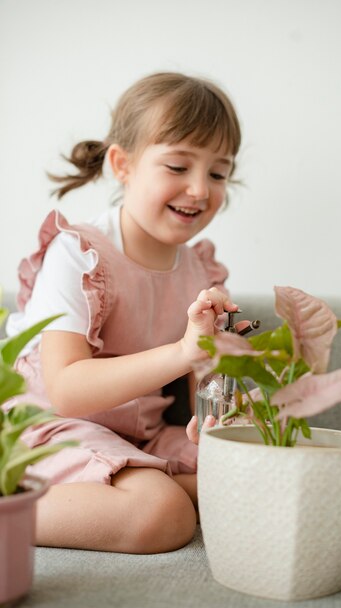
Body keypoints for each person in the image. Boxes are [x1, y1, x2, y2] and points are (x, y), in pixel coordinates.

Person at [6, 72, 245, 554]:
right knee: (163, 513)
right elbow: (68, 390)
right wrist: (182, 352)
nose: (200, 189)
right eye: (178, 166)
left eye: (218, 173)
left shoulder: (202, 272)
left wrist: (225, 412)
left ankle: (131, 488)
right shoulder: (79, 254)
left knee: (251, 481)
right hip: (49, 427)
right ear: (123, 164)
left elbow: (209, 388)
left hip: (138, 439)